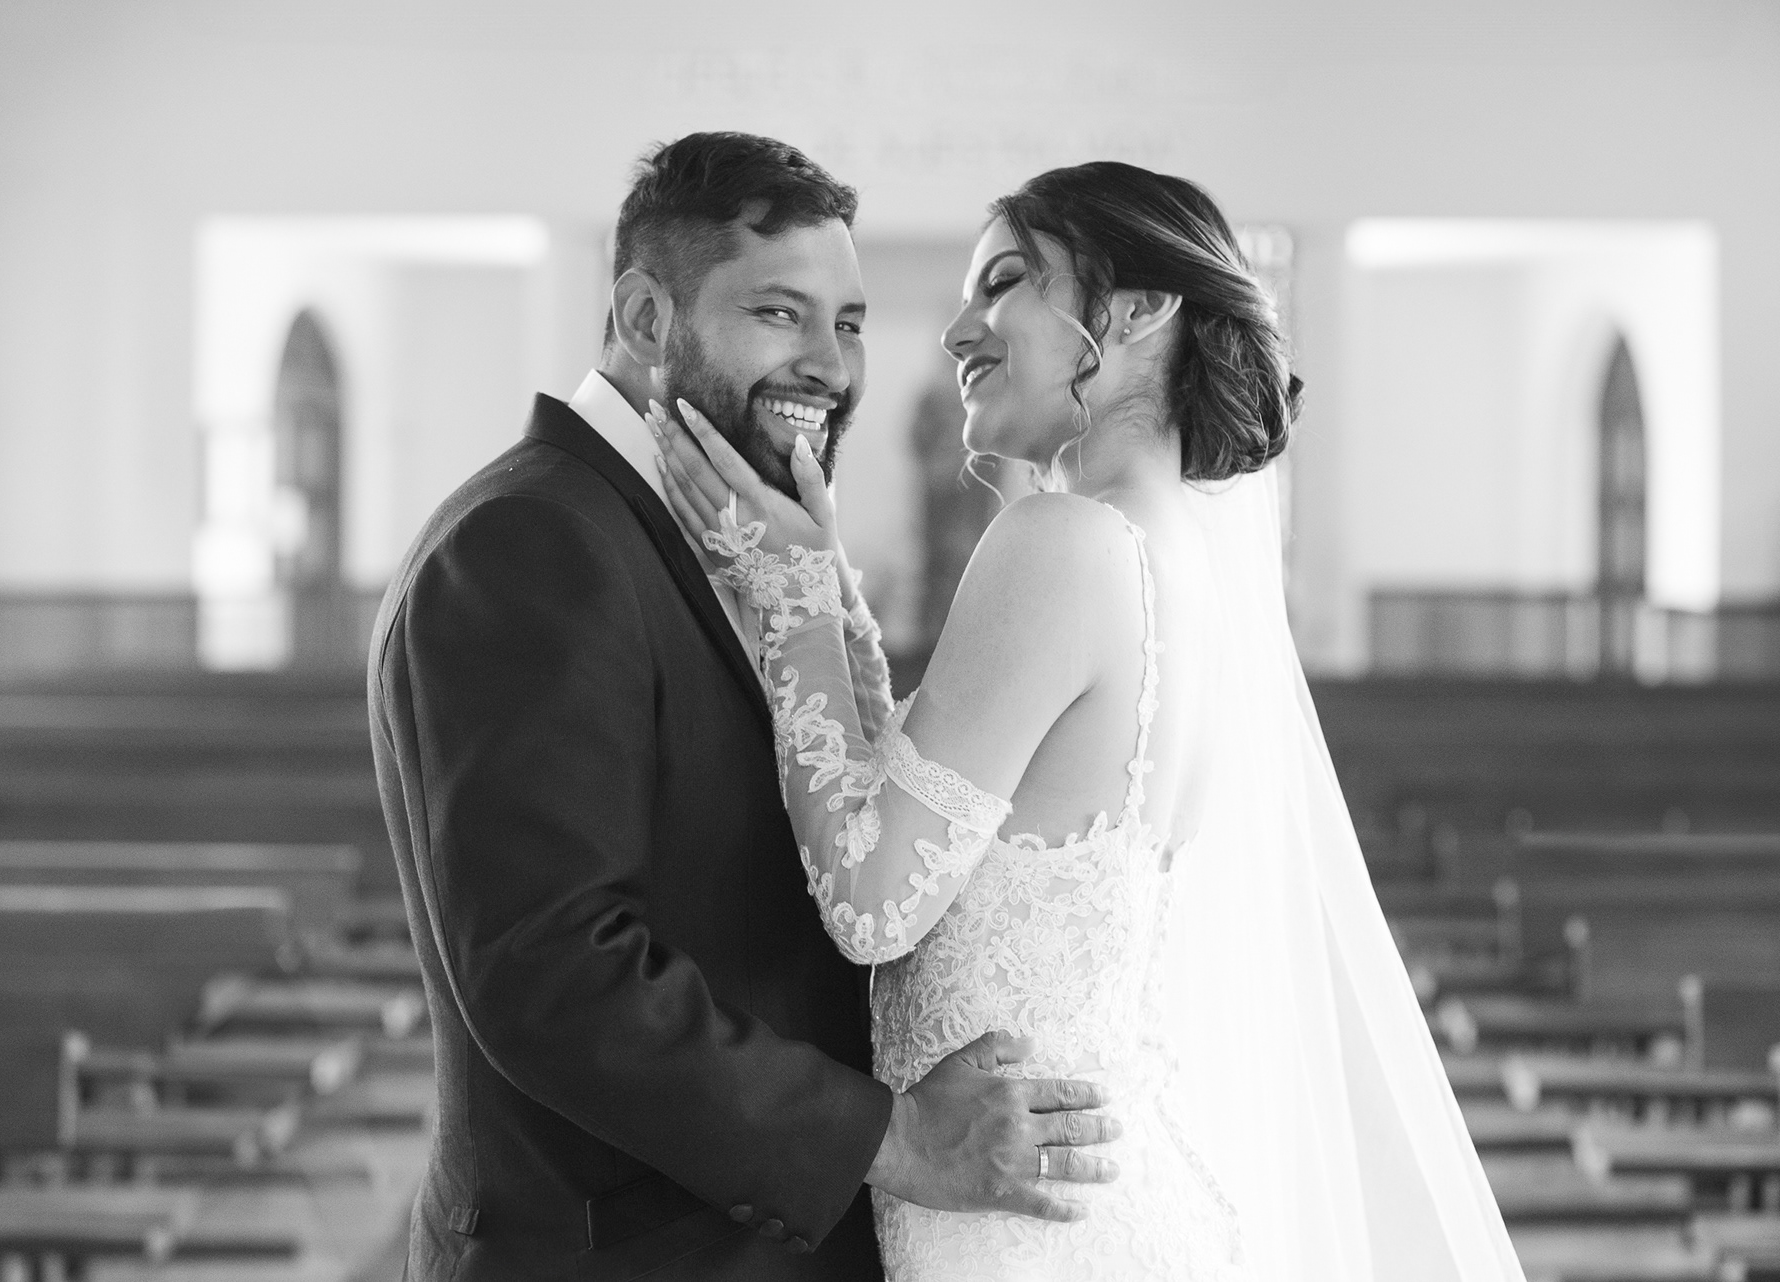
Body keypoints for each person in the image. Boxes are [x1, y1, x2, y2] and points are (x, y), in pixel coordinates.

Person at [650, 161, 1527, 1280]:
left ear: (1137, 308)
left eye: (1006, 281)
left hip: (1026, 1228)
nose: (958, 330)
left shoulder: (1061, 540)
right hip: (1092, 1204)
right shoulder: (1176, 557)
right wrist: (822, 582)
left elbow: (872, 899)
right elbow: (924, 793)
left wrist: (789, 603)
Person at [367, 132, 1120, 1282]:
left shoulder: (727, 535)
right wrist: (894, 1138)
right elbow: (553, 973)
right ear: (645, 317)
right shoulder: (532, 539)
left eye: (849, 323)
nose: (831, 366)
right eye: (779, 313)